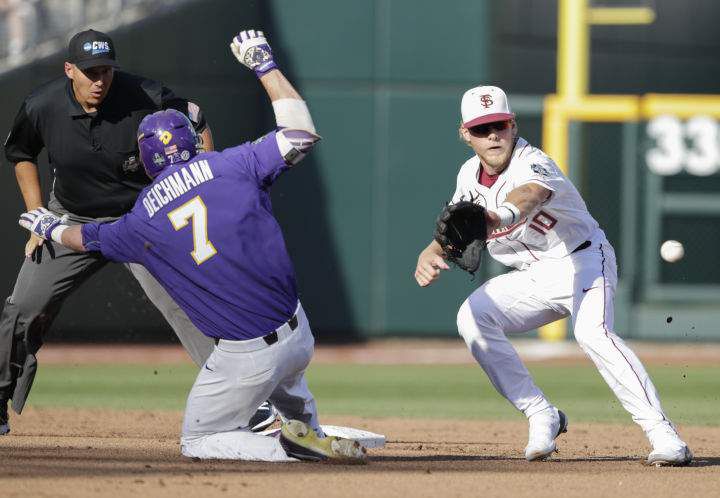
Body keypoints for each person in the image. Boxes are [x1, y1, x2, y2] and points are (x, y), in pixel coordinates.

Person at [17, 29, 366, 462]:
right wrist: (264, 64)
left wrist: (48, 226)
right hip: (299, 334)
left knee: (198, 441)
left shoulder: (144, 218)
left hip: (249, 355)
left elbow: (84, 237)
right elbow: (300, 133)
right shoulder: (234, 163)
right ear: (191, 138)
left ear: (145, 158)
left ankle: (290, 447)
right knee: (287, 378)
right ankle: (308, 425)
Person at [0, 28, 274, 436]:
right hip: (72, 218)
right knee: (23, 307)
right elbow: (21, 152)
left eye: (106, 71)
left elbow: (195, 120)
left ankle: (246, 403)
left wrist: (204, 180)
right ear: (69, 69)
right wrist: (37, 215)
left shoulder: (143, 95)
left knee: (190, 305)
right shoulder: (42, 105)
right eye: (90, 71)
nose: (99, 80)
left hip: (144, 219)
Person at [414, 85, 693, 466]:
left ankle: (664, 435)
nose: (493, 135)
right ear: (465, 134)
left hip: (583, 261)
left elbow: (530, 194)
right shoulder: (468, 176)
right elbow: (454, 231)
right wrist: (430, 252)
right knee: (473, 317)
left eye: (499, 124)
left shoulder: (533, 161)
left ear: (513, 125)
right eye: (482, 128)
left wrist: (501, 216)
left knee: (593, 334)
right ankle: (541, 413)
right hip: (533, 275)